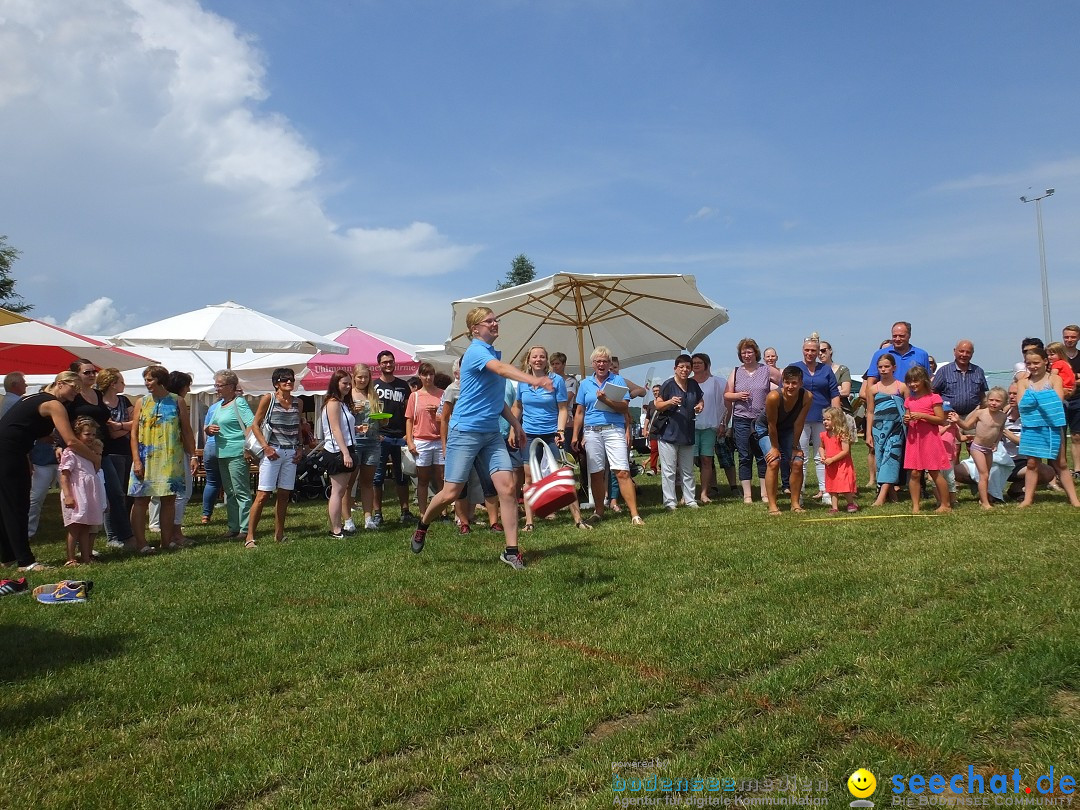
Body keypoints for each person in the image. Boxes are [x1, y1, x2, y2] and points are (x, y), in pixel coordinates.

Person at [411, 307, 550, 569]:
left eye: (497, 320)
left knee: (508, 488)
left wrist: (516, 426)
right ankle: (423, 524)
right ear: (475, 329)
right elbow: (502, 369)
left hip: (490, 434)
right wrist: (533, 380)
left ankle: (511, 551)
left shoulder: (490, 353)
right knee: (451, 492)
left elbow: (497, 400)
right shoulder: (476, 351)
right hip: (465, 432)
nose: (495, 324)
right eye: (490, 321)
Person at [0, 371, 100, 571]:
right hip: (9, 453)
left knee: (7, 505)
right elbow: (71, 440)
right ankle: (25, 561)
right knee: (16, 506)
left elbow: (22, 426)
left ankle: (9, 556)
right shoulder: (54, 404)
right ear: (61, 384)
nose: (77, 392)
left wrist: (41, 440)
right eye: (75, 387)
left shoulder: (35, 398)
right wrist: (94, 457)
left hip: (12, 452)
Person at [512, 345, 589, 530]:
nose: (538, 359)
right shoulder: (522, 381)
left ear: (546, 360)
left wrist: (560, 431)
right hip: (529, 434)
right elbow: (517, 406)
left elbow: (563, 408)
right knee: (529, 478)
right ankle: (530, 522)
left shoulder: (556, 380)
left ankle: (578, 520)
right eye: (534, 357)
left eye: (542, 357)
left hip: (552, 433)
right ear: (528, 360)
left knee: (564, 474)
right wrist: (513, 429)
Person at [572, 346, 645, 526]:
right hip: (591, 431)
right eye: (598, 361)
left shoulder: (618, 380)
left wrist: (606, 400)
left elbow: (624, 408)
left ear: (610, 363)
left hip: (614, 429)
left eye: (605, 361)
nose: (601, 364)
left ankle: (634, 514)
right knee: (596, 473)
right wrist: (575, 435)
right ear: (593, 364)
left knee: (622, 471)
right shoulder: (585, 384)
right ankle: (599, 511)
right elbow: (580, 411)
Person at [129, 365, 198, 552]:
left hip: (170, 456)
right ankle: (141, 544)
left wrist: (193, 455)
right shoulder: (141, 402)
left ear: (161, 380)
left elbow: (186, 430)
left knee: (169, 499)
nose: (147, 383)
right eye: (145, 379)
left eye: (150, 379)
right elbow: (134, 433)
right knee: (141, 499)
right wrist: (136, 460)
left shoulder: (177, 401)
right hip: (145, 456)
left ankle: (166, 541)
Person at [68, 359, 134, 550]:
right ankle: (83, 543)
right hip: (79, 452)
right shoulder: (74, 396)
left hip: (101, 451)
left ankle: (125, 536)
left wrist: (120, 426)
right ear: (76, 375)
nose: (91, 375)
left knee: (115, 492)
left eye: (93, 372)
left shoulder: (97, 394)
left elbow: (108, 422)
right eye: (86, 372)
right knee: (85, 497)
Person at [245, 368, 303, 547]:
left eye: (291, 379)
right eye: (284, 380)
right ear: (276, 383)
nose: (289, 382)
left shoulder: (298, 402)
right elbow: (255, 424)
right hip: (273, 451)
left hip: (291, 452)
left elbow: (298, 426)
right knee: (263, 494)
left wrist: (300, 447)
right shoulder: (269, 399)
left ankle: (279, 534)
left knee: (284, 494)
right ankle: (250, 537)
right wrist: (265, 447)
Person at [1015, 348, 1080, 508]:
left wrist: (1033, 399)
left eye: (1036, 362)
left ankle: (1074, 499)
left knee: (1061, 463)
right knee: (1031, 463)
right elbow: (1022, 404)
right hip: (1031, 428)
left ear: (1045, 361)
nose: (1033, 366)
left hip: (1053, 426)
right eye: (1029, 363)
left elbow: (1057, 401)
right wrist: (1044, 398)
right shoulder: (1023, 381)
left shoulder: (1055, 379)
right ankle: (1028, 499)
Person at [725, 338, 782, 504]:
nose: (747, 355)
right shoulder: (736, 372)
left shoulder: (766, 370)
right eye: (743, 353)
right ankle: (747, 495)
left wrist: (775, 399)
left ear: (755, 353)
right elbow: (726, 394)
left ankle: (764, 493)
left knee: (763, 455)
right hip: (741, 419)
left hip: (761, 419)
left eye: (749, 352)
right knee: (744, 456)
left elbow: (784, 384)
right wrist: (737, 396)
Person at [754, 365, 810, 515]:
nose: (790, 386)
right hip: (766, 429)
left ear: (801, 383)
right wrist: (774, 447)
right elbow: (771, 424)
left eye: (794, 383)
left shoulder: (807, 397)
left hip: (787, 430)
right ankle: (773, 505)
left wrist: (794, 446)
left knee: (797, 461)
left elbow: (799, 423)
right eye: (787, 382)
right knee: (774, 462)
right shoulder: (773, 397)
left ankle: (795, 503)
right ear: (782, 382)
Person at [206, 369, 253, 542]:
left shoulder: (239, 403)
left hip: (237, 452)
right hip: (221, 452)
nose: (216, 388)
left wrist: (247, 448)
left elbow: (251, 425)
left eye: (220, 385)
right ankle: (234, 526)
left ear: (231, 386)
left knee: (241, 491)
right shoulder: (218, 405)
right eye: (216, 385)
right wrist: (208, 429)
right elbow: (209, 425)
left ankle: (245, 527)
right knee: (230, 492)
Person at [148, 371, 195, 544]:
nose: (188, 389)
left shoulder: (151, 402)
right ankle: (175, 532)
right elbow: (186, 431)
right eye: (187, 385)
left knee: (169, 495)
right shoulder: (176, 402)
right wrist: (193, 454)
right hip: (175, 454)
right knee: (181, 493)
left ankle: (169, 532)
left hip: (157, 454)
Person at [795, 334, 841, 504]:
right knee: (801, 456)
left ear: (818, 352)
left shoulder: (826, 369)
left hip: (823, 419)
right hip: (800, 418)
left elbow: (834, 394)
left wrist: (835, 418)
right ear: (802, 350)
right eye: (807, 350)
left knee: (822, 455)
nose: (810, 353)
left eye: (813, 350)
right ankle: (798, 493)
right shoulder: (795, 368)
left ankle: (826, 492)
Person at [655, 354, 704, 510]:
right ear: (675, 368)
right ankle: (670, 502)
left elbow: (700, 399)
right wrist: (670, 402)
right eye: (681, 367)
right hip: (669, 433)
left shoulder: (693, 384)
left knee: (688, 469)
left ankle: (690, 500)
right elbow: (658, 405)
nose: (685, 370)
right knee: (669, 470)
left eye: (688, 367)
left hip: (687, 432)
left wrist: (700, 405)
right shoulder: (668, 385)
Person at [372, 351, 416, 527]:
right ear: (379, 365)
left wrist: (408, 433)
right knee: (377, 477)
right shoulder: (374, 386)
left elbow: (408, 412)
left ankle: (405, 511)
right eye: (384, 362)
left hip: (401, 436)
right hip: (382, 436)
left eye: (390, 362)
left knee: (402, 475)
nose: (388, 365)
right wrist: (376, 433)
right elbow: (371, 412)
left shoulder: (403, 385)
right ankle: (377, 513)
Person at [902, 366, 951, 514]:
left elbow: (940, 419)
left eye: (915, 381)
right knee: (915, 473)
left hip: (930, 439)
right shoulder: (909, 400)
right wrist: (907, 419)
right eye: (909, 382)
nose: (912, 384)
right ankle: (916, 506)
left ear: (924, 380)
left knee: (935, 472)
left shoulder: (934, 398)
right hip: (914, 440)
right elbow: (908, 417)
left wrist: (923, 416)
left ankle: (945, 504)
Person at [95, 367, 135, 548]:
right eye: (121, 381)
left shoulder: (124, 400)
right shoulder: (99, 402)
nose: (124, 384)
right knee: (113, 496)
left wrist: (118, 425)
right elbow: (108, 432)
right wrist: (125, 427)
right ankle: (112, 536)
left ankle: (123, 532)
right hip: (110, 453)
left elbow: (137, 423)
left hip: (127, 451)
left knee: (125, 495)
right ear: (112, 383)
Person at [59, 416, 107, 565]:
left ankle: (86, 557)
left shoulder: (91, 453)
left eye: (93, 434)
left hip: (88, 494)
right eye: (87, 434)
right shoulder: (71, 453)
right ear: (78, 434)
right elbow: (65, 476)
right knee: (75, 527)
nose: (91, 437)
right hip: (76, 493)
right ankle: (71, 558)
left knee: (86, 526)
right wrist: (68, 496)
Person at [950, 388, 1008, 510]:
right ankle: (985, 502)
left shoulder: (1002, 416)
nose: (993, 403)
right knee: (984, 474)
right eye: (991, 400)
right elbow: (967, 425)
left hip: (988, 448)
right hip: (977, 447)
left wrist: (996, 443)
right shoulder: (981, 413)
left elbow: (999, 431)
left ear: (1004, 403)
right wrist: (958, 420)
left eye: (998, 401)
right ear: (987, 400)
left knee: (988, 474)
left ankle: (985, 497)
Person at [864, 353, 909, 507]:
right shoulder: (873, 389)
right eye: (880, 367)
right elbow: (870, 412)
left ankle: (881, 498)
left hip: (897, 428)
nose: (883, 370)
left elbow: (907, 409)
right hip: (878, 429)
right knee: (881, 458)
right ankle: (892, 492)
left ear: (894, 368)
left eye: (886, 366)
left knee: (892, 457)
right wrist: (868, 433)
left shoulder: (901, 387)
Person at [405, 362, 445, 523]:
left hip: (439, 440)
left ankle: (442, 512)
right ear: (420, 376)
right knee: (423, 479)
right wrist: (410, 441)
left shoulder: (442, 394)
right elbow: (409, 420)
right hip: (421, 440)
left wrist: (437, 413)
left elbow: (447, 418)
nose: (428, 378)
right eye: (425, 374)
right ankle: (423, 513)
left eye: (431, 374)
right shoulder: (414, 396)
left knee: (441, 478)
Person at [321, 369, 359, 538]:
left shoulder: (342, 403)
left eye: (350, 383)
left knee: (341, 491)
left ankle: (338, 527)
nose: (348, 386)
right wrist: (345, 453)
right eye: (344, 383)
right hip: (337, 450)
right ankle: (335, 529)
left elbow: (342, 427)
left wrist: (356, 429)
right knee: (337, 491)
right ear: (336, 383)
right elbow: (335, 429)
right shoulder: (333, 402)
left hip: (346, 447)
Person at [347, 363, 382, 531]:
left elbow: (383, 421)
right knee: (349, 482)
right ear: (353, 377)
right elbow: (342, 419)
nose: (362, 380)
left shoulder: (373, 395)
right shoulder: (348, 394)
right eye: (359, 377)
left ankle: (368, 518)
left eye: (366, 377)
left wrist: (383, 418)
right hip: (354, 441)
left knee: (367, 482)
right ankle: (347, 519)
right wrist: (353, 410)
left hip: (372, 441)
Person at [691, 352, 725, 503]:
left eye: (699, 362)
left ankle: (704, 492)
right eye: (694, 362)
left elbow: (722, 405)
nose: (696, 364)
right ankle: (689, 493)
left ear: (706, 364)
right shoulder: (688, 382)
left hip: (710, 426)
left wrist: (722, 423)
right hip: (690, 427)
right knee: (688, 461)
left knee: (706, 460)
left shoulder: (716, 382)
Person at [931, 340, 989, 418]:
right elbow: (933, 393)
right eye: (961, 351)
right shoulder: (943, 371)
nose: (964, 355)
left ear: (972, 354)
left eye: (968, 352)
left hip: (972, 419)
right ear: (954, 351)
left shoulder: (978, 371)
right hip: (949, 418)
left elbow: (982, 396)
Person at [819, 407, 857, 513]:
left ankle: (851, 503)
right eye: (824, 419)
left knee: (844, 484)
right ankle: (835, 507)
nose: (825, 422)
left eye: (828, 419)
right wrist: (823, 456)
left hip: (842, 464)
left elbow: (845, 451)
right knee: (832, 486)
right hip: (831, 465)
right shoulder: (823, 435)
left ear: (836, 420)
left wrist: (832, 459)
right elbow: (821, 447)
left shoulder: (842, 434)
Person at [1059, 325, 1080, 478]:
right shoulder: (1058, 357)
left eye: (1073, 337)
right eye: (1067, 337)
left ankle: (1078, 470)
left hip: (1078, 399)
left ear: (1078, 338)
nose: (1069, 340)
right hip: (1059, 400)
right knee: (1059, 436)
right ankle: (1060, 469)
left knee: (1076, 436)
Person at [200, 396, 223, 525]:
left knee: (211, 482)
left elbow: (205, 429)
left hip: (210, 447)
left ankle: (206, 515)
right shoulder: (235, 406)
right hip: (225, 447)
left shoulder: (212, 408)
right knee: (232, 484)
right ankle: (236, 517)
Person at [643, 384, 661, 475]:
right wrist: (645, 429)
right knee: (654, 450)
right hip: (653, 431)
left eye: (657, 390)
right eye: (654, 391)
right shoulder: (651, 403)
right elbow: (648, 417)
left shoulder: (665, 402)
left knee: (664, 451)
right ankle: (653, 468)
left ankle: (664, 468)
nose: (655, 392)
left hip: (663, 431)